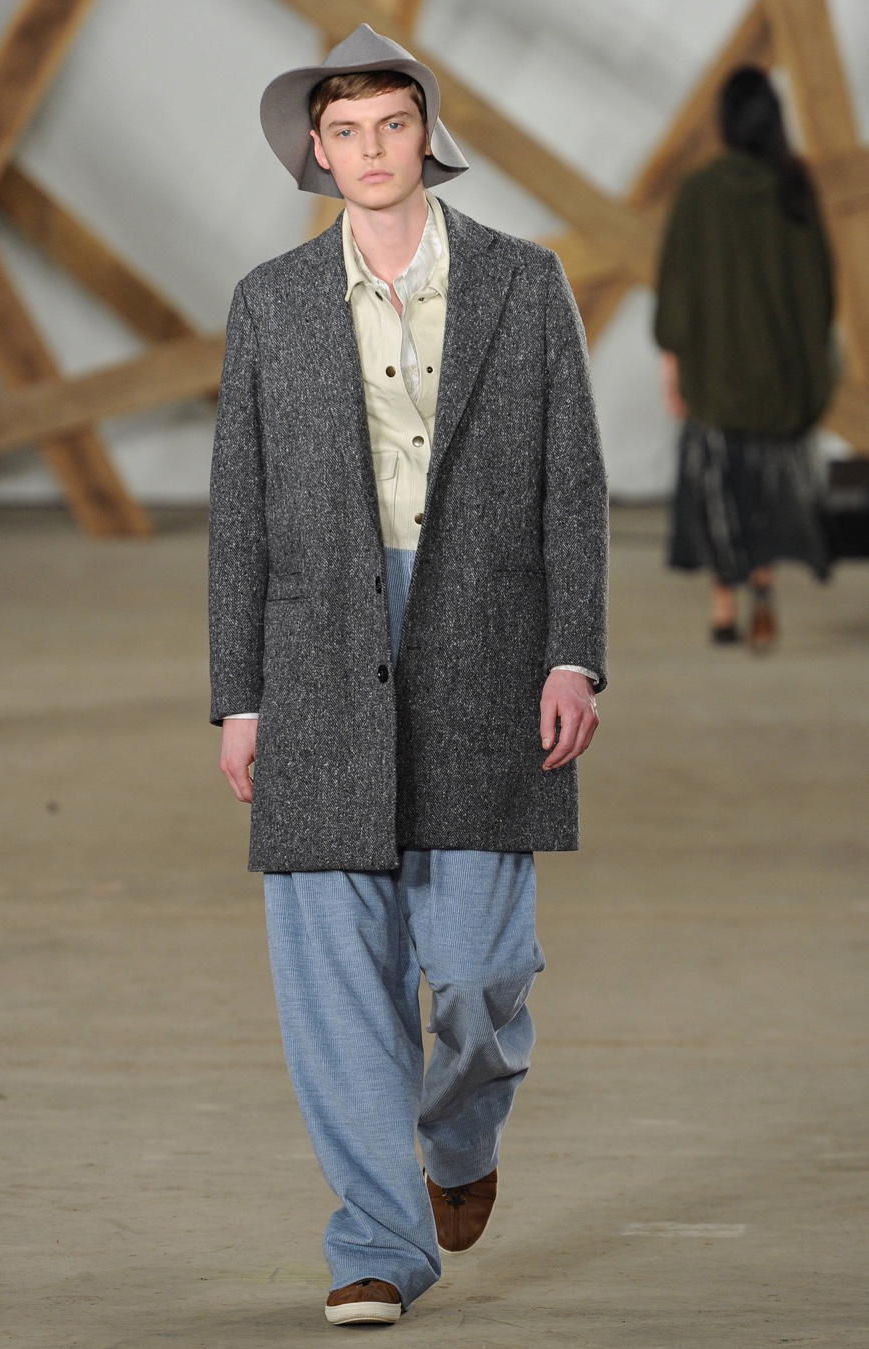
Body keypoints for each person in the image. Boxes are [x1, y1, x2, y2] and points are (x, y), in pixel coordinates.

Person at [208, 24, 607, 1327]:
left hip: (483, 639)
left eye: (392, 125)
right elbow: (240, 510)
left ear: (426, 137)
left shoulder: (523, 282)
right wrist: (241, 695)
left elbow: (572, 483)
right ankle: (377, 1242)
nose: (372, 149)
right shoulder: (270, 300)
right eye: (346, 131)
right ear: (317, 153)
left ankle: (459, 1137)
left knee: (479, 965)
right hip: (317, 650)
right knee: (335, 983)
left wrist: (572, 651)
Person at [655, 65, 836, 650]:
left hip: (715, 379)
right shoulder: (794, 186)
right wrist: (813, 369)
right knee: (768, 485)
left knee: (719, 488)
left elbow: (676, 290)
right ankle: (762, 583)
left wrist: (672, 368)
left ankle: (723, 606)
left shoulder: (699, 192)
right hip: (780, 379)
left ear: (726, 122)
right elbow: (819, 292)